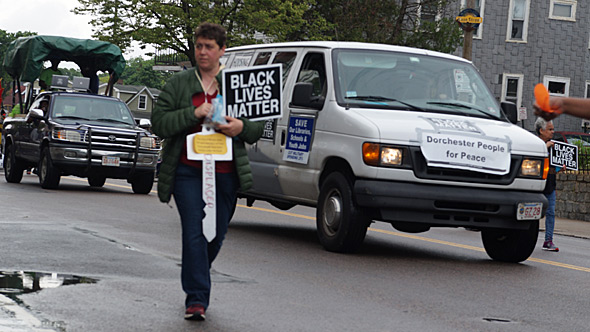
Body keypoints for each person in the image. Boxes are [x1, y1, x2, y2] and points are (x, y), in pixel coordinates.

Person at [150, 22, 264, 321]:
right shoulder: (179, 84)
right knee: (194, 232)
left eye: (209, 47)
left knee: (215, 236)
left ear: (221, 50)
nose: (202, 52)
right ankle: (197, 299)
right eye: (199, 46)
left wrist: (240, 127)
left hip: (226, 172)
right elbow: (160, 123)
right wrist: (193, 113)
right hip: (187, 171)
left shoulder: (236, 83)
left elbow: (256, 128)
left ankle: (198, 268)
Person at [535, 117, 561, 252]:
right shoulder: (533, 143)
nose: (553, 132)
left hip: (550, 185)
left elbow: (552, 166)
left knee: (550, 213)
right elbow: (534, 158)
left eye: (553, 129)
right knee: (532, 214)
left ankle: (548, 240)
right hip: (535, 185)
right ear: (541, 130)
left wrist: (560, 168)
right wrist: (545, 147)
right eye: (549, 129)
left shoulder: (554, 147)